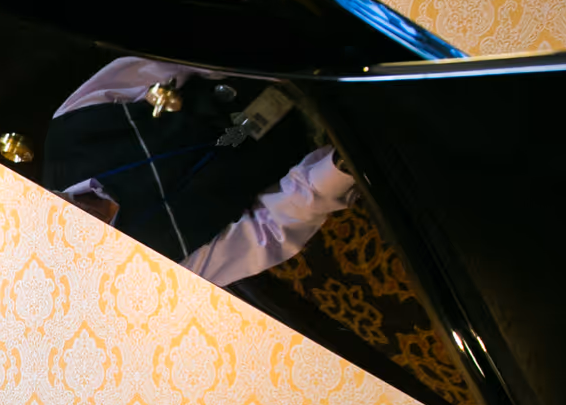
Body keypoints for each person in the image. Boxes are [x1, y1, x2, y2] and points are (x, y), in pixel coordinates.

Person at [41, 57, 355, 287]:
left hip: (258, 63)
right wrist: (337, 168)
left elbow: (172, 56)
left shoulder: (69, 132)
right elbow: (267, 230)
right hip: (314, 133)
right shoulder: (157, 266)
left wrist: (272, 57)